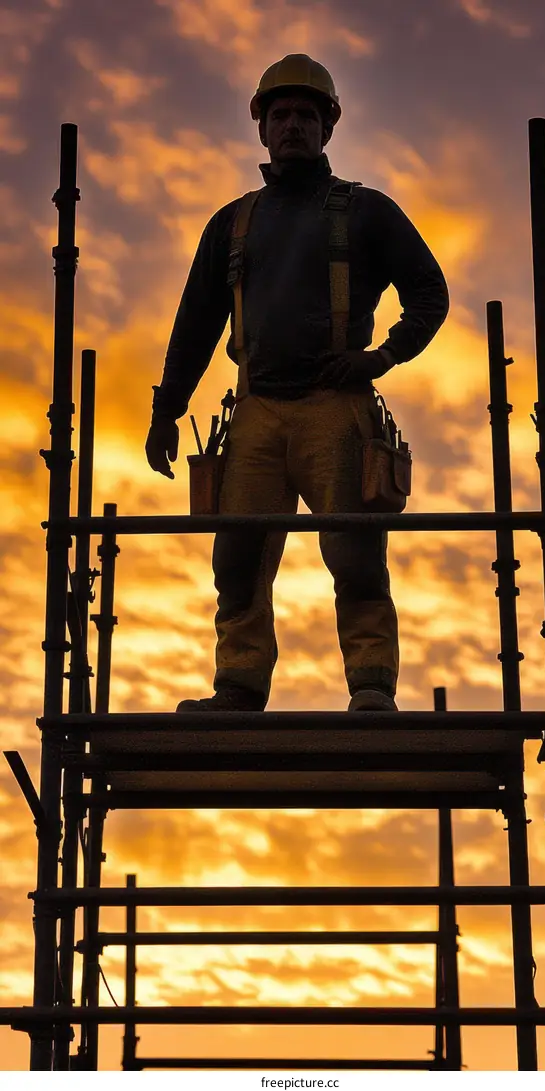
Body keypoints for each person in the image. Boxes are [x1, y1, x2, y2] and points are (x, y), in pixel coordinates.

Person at [145, 53, 449, 713]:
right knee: (238, 562)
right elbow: (195, 323)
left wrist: (384, 355)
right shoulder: (234, 223)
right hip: (255, 411)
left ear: (327, 127)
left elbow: (430, 291)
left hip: (336, 409)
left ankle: (372, 686)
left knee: (357, 556)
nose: (292, 125)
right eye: (280, 114)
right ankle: (240, 685)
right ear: (261, 128)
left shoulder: (364, 211)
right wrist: (167, 410)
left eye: (305, 115)